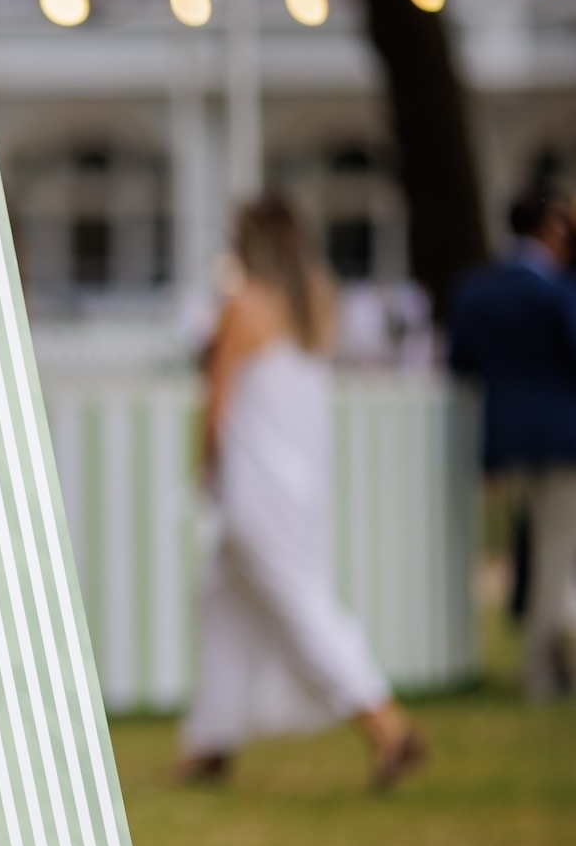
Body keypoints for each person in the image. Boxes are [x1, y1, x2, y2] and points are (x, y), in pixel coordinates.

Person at [180, 194, 423, 789]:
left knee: (303, 607)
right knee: (223, 601)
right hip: (299, 483)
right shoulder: (316, 302)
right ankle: (210, 743)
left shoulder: (244, 306)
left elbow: (217, 401)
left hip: (255, 489)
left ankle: (386, 725)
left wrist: (204, 466)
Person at [449, 182, 576, 701]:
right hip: (564, 437)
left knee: (538, 547)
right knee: (556, 550)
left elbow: (460, 360)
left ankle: (550, 661)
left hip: (507, 437)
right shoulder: (557, 292)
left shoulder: (477, 289)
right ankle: (540, 671)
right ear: (549, 228)